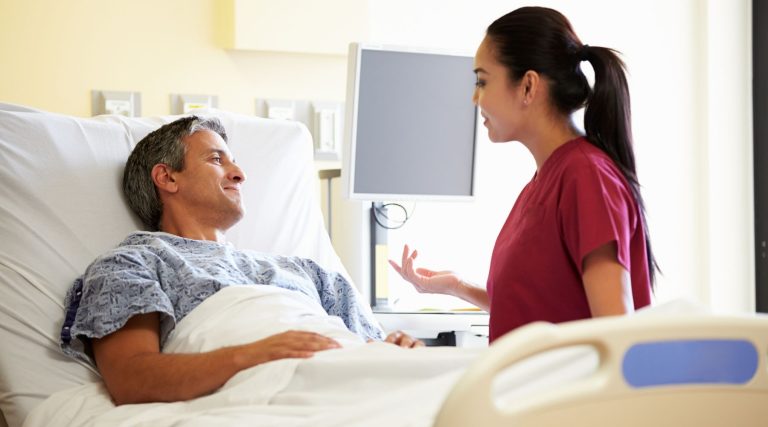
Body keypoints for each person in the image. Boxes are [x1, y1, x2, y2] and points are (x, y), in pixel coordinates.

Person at [60, 116, 422, 406]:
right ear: (167, 177)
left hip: (359, 381)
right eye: (217, 159)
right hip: (282, 390)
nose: (240, 174)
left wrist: (397, 349)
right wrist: (253, 355)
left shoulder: (307, 272)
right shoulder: (131, 264)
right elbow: (132, 379)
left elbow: (372, 349)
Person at [390, 6, 658, 342]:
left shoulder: (587, 178)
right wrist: (456, 286)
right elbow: (540, 309)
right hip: (528, 388)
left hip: (560, 393)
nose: (475, 98)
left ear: (528, 86)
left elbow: (617, 335)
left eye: (482, 81)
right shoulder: (547, 180)